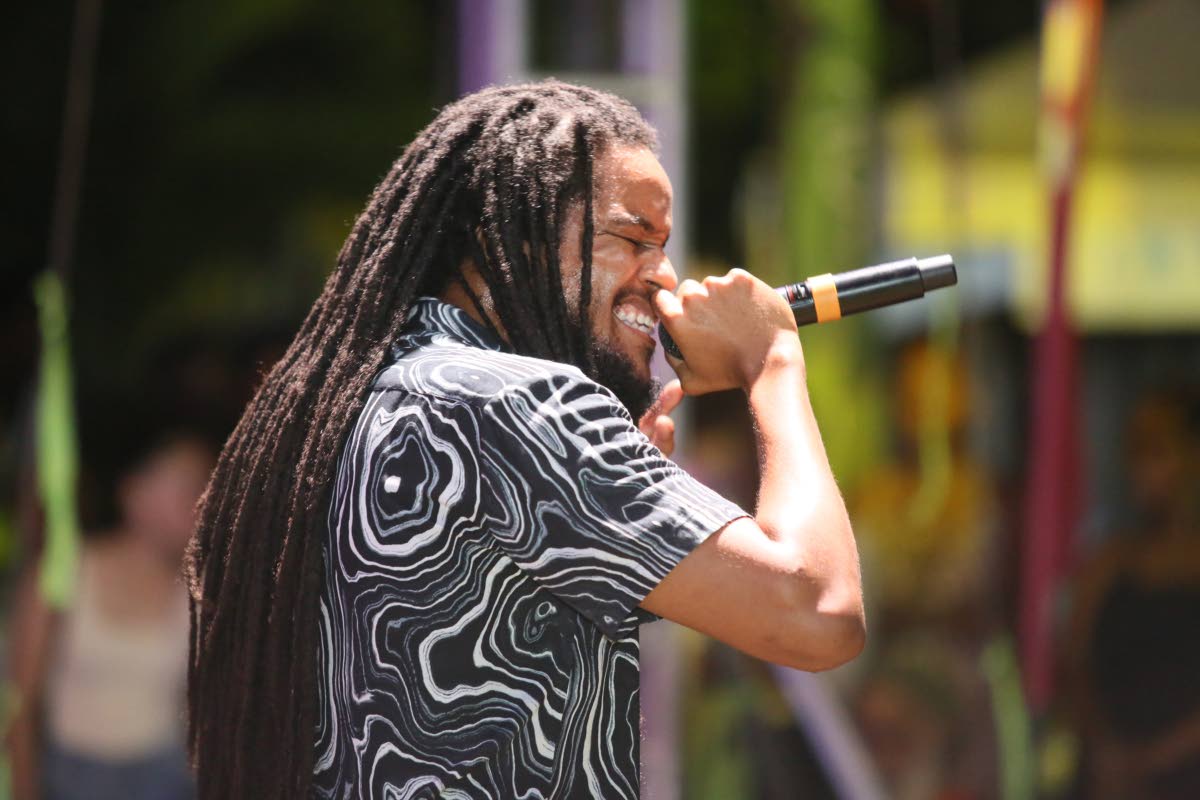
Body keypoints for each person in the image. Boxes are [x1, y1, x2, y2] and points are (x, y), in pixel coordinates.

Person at [186, 80, 865, 799]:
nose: (663, 277)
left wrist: (614, 504)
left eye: (664, 247)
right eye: (634, 238)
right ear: (510, 230)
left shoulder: (355, 402)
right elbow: (818, 614)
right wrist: (773, 361)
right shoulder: (517, 405)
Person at [7, 430, 213, 800]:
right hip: (69, 777)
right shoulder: (61, 575)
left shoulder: (200, 592)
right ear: (133, 492)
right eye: (187, 486)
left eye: (207, 485)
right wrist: (24, 786)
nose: (201, 501)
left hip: (164, 779)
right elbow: (20, 700)